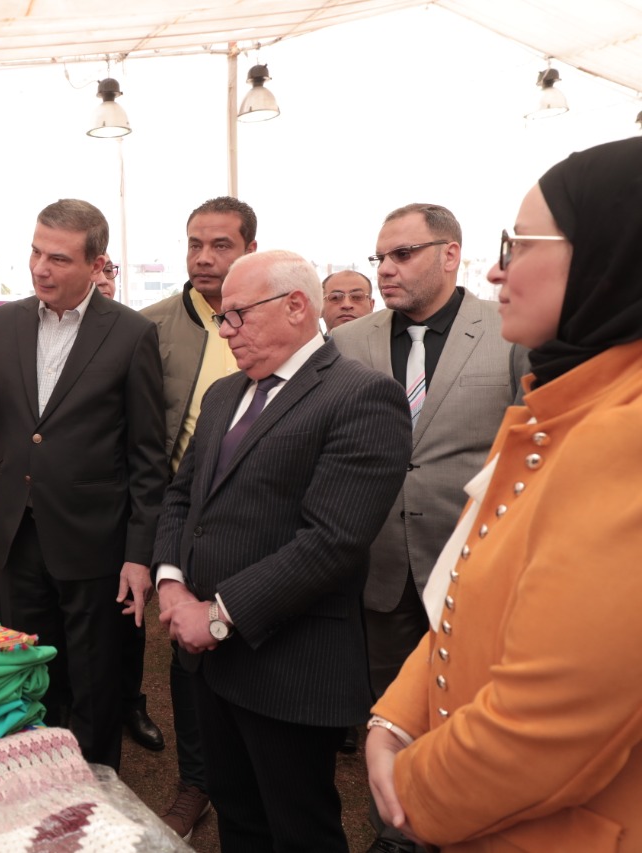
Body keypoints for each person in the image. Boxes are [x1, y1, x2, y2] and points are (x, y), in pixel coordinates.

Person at [366, 135, 642, 853]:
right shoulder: (559, 406)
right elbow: (465, 594)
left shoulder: (624, 436)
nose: (497, 268)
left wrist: (408, 792)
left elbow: (543, 729)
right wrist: (395, 718)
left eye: (516, 244)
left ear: (612, 253)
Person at [154, 250, 410, 853]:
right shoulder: (224, 394)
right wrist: (171, 584)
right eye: (222, 317)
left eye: (237, 315)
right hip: (210, 663)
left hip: (290, 664)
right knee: (238, 817)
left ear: (296, 306)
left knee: (299, 828)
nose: (225, 331)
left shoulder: (361, 396)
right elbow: (182, 497)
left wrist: (217, 616)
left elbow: (331, 541)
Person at [0, 199, 167, 770]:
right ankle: (36, 780)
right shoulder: (5, 324)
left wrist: (139, 555)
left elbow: (147, 456)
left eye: (58, 258)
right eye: (36, 252)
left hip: (94, 540)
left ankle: (94, 788)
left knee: (94, 682)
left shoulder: (131, 334)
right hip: (16, 535)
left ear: (96, 264)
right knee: (29, 671)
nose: (40, 268)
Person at [331, 203, 527, 853]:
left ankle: (462, 827)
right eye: (380, 257)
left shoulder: (507, 330)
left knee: (472, 708)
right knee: (389, 707)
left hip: (475, 564)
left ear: (450, 255)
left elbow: (529, 449)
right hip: (380, 562)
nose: (385, 269)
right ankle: (397, 829)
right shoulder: (350, 342)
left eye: (403, 254)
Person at [140, 195, 254, 837]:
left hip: (258, 520)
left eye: (221, 245)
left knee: (252, 641)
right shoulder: (152, 326)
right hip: (181, 518)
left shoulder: (280, 318)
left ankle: (254, 782)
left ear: (250, 250)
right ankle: (196, 783)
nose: (204, 258)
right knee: (187, 649)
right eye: (194, 245)